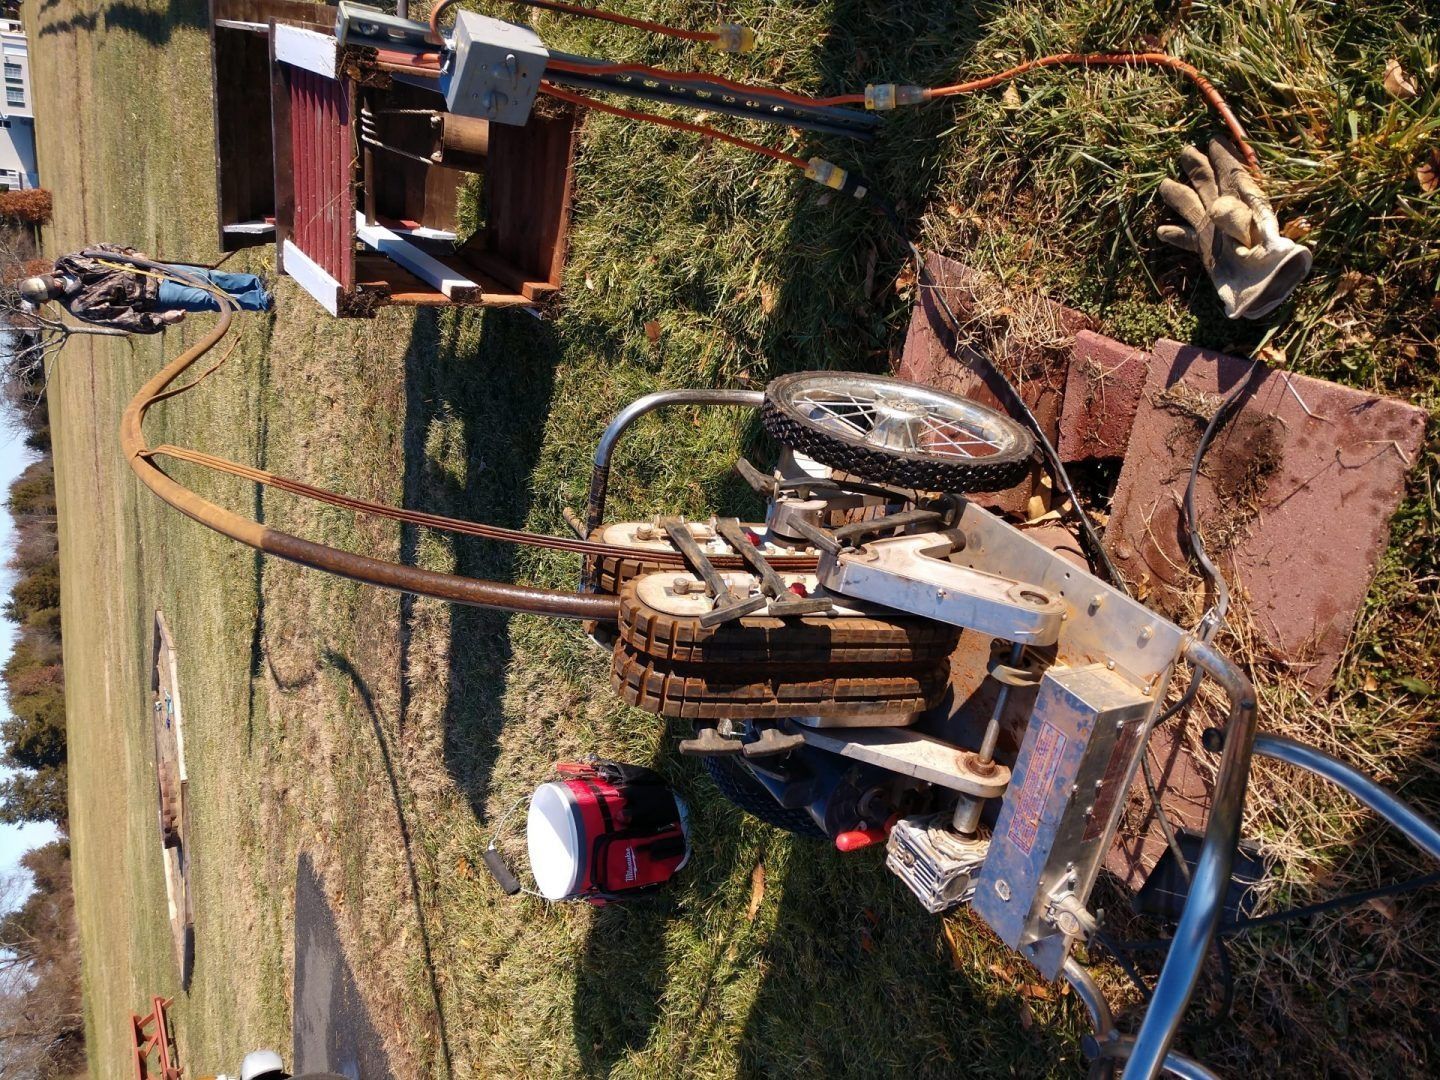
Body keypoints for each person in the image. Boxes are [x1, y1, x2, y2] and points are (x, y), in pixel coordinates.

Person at [16, 242, 272, 334]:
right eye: (53, 290)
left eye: (52, 282)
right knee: (209, 299)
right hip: (157, 295)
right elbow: (128, 320)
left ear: (48, 274)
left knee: (213, 277)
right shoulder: (81, 307)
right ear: (49, 299)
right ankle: (261, 300)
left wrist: (130, 253)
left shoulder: (69, 261)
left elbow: (103, 249)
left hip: (155, 270)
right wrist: (164, 318)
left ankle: (254, 282)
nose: (57, 285)